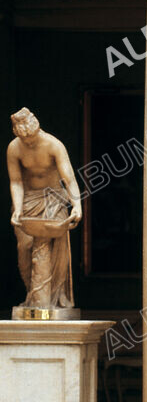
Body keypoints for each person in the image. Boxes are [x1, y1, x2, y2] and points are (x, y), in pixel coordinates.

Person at [7, 107, 81, 311]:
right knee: (24, 247)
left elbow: (69, 178)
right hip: (29, 200)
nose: (29, 143)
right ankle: (33, 296)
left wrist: (77, 205)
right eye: (25, 140)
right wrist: (18, 208)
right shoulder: (14, 148)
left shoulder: (54, 145)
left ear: (37, 129)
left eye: (32, 139)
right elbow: (16, 181)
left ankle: (52, 298)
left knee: (55, 251)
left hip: (54, 198)